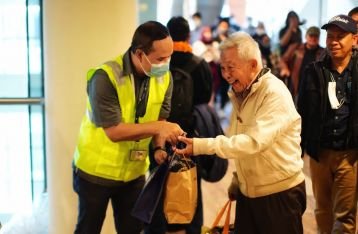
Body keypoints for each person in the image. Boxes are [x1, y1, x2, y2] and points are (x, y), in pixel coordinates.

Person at [175, 31, 306, 234]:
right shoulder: (241, 92)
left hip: (280, 194)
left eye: (231, 67)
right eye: (223, 67)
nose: (226, 74)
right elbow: (239, 142)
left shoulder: (274, 92)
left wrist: (200, 145)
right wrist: (239, 179)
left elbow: (253, 142)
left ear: (253, 65)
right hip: (249, 193)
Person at [72, 21, 185, 234]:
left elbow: (159, 122)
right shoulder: (105, 77)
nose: (167, 63)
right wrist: (160, 128)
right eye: (161, 59)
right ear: (140, 54)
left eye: (170, 57)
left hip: (133, 174)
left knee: (132, 230)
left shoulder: (164, 77)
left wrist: (159, 147)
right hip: (96, 172)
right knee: (88, 229)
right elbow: (113, 131)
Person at [145, 16, 213, 234]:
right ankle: (191, 227)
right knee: (191, 183)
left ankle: (156, 227)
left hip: (159, 132)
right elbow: (204, 99)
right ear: (187, 35)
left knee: (157, 184)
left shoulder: (160, 64)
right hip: (189, 136)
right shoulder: (199, 64)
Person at [297, 14, 358, 234]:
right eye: (329, 36)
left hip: (350, 155)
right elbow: (300, 112)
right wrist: (298, 151)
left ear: (355, 40)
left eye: (340, 36)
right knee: (322, 210)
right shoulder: (313, 71)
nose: (333, 41)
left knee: (346, 214)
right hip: (319, 154)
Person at [279, 26, 324, 101]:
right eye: (311, 36)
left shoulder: (323, 52)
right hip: (297, 86)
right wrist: (284, 68)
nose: (313, 38)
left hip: (315, 89)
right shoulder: (295, 47)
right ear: (306, 36)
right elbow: (282, 60)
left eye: (316, 36)